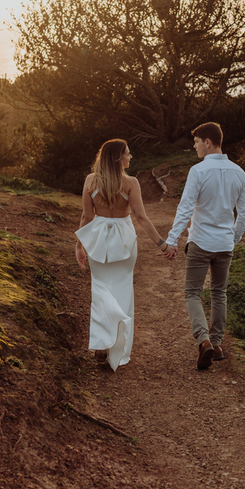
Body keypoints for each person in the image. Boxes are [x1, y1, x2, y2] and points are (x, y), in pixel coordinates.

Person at [75, 139, 174, 371]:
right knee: (122, 293)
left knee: (100, 292)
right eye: (128, 154)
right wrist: (162, 244)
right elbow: (141, 217)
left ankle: (102, 343)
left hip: (98, 240)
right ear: (119, 158)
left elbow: (87, 217)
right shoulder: (130, 183)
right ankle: (114, 347)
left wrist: (79, 245)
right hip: (123, 241)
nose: (131, 157)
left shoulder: (91, 181)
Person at [164, 122, 245, 371]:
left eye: (196, 142)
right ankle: (217, 342)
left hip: (201, 242)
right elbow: (244, 214)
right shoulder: (239, 172)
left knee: (192, 293)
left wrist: (172, 239)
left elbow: (185, 207)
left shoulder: (198, 171)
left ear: (208, 142)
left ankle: (203, 341)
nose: (194, 146)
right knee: (219, 292)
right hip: (225, 244)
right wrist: (232, 239)